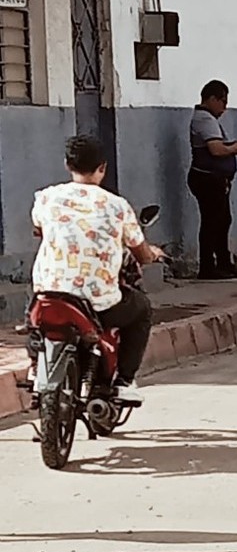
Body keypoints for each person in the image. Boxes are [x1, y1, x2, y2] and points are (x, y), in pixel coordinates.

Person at [32, 135, 165, 404]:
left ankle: (37, 369)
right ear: (102, 167)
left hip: (50, 294)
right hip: (98, 302)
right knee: (141, 309)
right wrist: (153, 253)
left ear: (67, 164)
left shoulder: (46, 198)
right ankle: (125, 381)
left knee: (34, 323)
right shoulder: (117, 206)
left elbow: (39, 230)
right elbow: (141, 252)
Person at [188, 80, 237, 280]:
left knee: (222, 220)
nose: (224, 107)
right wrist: (235, 148)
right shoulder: (204, 120)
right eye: (222, 101)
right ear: (212, 99)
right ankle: (208, 266)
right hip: (208, 179)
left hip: (215, 179)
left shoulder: (207, 119)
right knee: (212, 222)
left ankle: (223, 262)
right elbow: (216, 149)